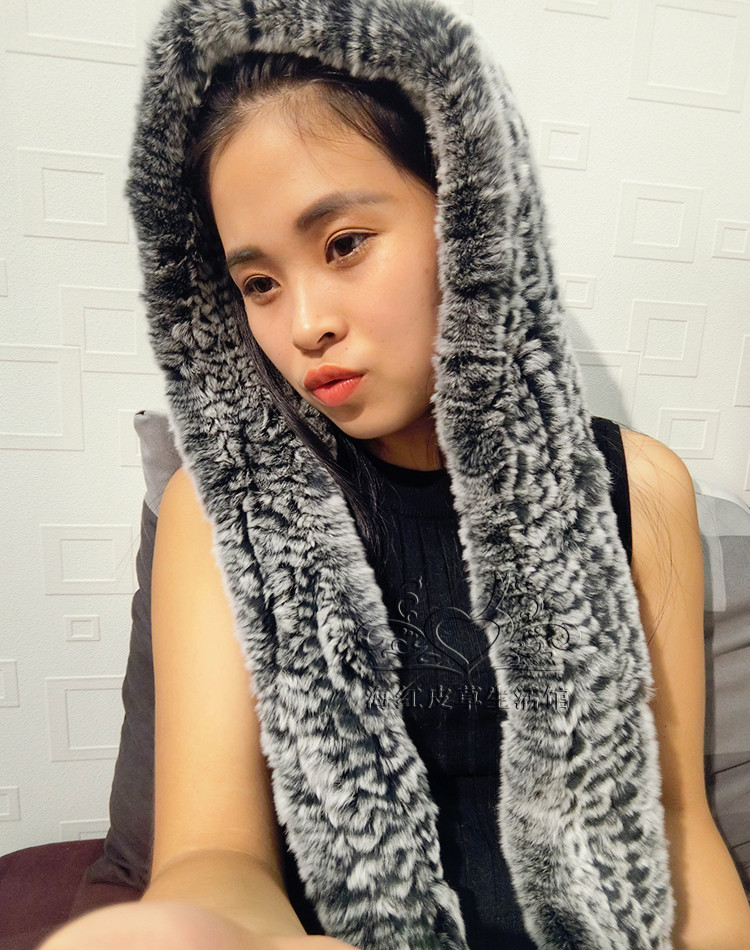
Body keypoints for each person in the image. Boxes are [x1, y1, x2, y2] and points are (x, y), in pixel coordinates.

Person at [40, 0, 750, 948]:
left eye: (344, 244)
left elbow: (673, 824)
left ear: (474, 220)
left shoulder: (637, 488)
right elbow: (214, 855)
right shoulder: (222, 512)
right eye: (259, 283)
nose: (305, 325)